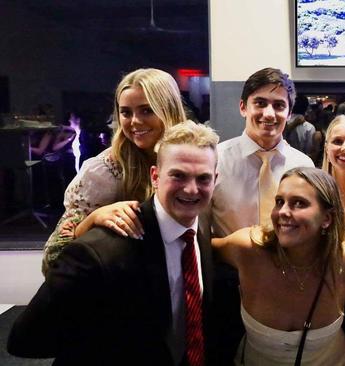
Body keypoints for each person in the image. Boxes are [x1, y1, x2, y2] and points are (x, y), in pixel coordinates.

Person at [8, 122, 226, 365]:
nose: (191, 189)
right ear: (155, 176)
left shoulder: (200, 224)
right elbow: (25, 338)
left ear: (215, 180)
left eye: (203, 178)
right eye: (178, 175)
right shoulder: (98, 252)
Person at [42, 68, 188, 274]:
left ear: (170, 109)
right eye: (126, 112)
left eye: (147, 110)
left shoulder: (194, 159)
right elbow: (53, 258)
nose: (135, 121)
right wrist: (94, 219)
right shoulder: (104, 172)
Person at [212, 167, 345, 365]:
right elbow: (196, 248)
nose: (283, 212)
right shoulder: (248, 249)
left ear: (327, 218)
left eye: (299, 203)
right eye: (279, 202)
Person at [209, 67, 314, 238]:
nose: (269, 114)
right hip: (228, 263)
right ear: (243, 107)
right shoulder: (216, 159)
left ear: (289, 113)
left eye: (279, 105)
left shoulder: (303, 166)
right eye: (260, 103)